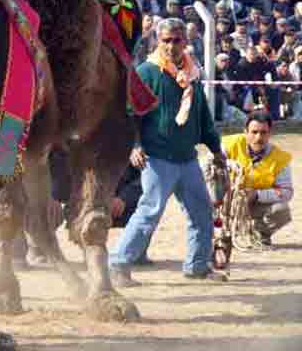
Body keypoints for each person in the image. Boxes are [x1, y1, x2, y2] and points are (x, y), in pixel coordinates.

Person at [109, 18, 227, 286]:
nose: (172, 46)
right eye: (166, 40)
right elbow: (129, 115)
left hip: (187, 159)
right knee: (149, 212)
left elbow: (203, 117)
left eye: (177, 40)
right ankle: (118, 265)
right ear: (157, 42)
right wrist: (135, 145)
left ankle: (197, 266)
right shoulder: (146, 73)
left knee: (201, 213)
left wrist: (215, 148)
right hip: (157, 158)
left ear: (185, 41)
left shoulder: (193, 75)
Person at [222, 111, 293, 246]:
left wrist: (257, 195)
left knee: (281, 210)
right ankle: (223, 232)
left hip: (256, 205)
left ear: (270, 133)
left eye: (263, 132)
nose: (258, 137)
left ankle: (258, 233)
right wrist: (226, 164)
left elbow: (286, 192)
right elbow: (207, 165)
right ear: (245, 132)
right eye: (254, 132)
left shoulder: (281, 158)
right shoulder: (229, 144)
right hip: (227, 201)